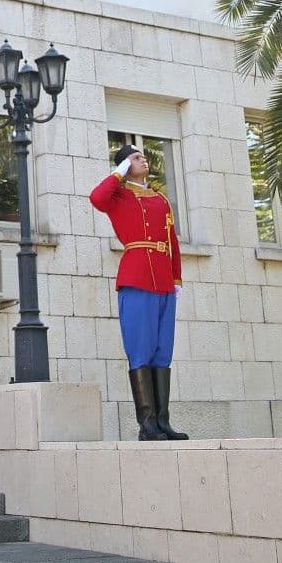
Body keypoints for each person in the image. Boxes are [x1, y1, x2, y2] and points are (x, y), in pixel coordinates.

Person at [90, 144, 188, 441]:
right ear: (124, 165)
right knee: (140, 349)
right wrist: (119, 171)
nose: (143, 159)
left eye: (143, 156)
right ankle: (147, 425)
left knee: (162, 351)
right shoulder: (118, 196)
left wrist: (176, 278)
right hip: (136, 277)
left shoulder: (161, 199)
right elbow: (97, 197)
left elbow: (171, 241)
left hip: (163, 280)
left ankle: (163, 422)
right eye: (135, 157)